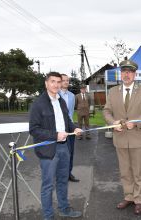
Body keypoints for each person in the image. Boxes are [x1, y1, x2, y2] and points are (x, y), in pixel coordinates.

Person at [103, 59, 141, 215]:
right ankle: (129, 196)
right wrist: (113, 123)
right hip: (120, 138)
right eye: (124, 71)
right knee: (125, 171)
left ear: (135, 74)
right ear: (121, 74)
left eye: (130, 72)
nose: (127, 74)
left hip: (138, 137)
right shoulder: (113, 91)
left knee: (138, 171)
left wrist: (137, 121)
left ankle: (139, 200)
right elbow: (106, 111)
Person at [29, 72, 83, 220]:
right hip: (48, 150)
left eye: (58, 82)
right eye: (52, 81)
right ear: (46, 83)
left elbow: (67, 122)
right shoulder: (38, 104)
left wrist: (74, 128)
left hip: (64, 147)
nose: (56, 85)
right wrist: (55, 135)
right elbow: (33, 129)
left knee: (62, 180)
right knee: (48, 185)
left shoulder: (61, 101)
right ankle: (48, 216)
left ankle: (64, 209)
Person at [59, 73, 80, 182]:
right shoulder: (55, 94)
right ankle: (60, 174)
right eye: (64, 80)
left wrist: (73, 126)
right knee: (60, 153)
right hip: (59, 129)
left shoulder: (72, 96)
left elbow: (71, 112)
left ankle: (68, 173)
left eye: (67, 80)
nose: (66, 82)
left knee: (71, 151)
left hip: (70, 127)